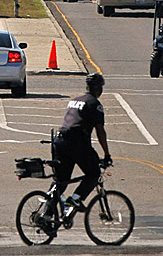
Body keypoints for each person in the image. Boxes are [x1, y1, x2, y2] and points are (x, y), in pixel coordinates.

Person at [52, 73, 112, 219]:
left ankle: (45, 215)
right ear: (99, 89)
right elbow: (100, 131)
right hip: (76, 142)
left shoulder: (75, 100)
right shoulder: (94, 104)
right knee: (94, 173)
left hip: (59, 141)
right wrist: (106, 154)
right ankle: (75, 198)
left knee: (61, 182)